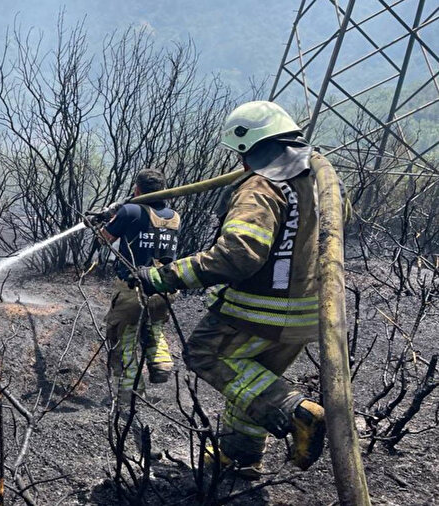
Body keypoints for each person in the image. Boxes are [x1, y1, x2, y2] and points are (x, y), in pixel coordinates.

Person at [134, 101, 327, 479]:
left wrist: (164, 276)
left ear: (248, 149)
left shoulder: (260, 187)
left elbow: (237, 257)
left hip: (259, 310)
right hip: (305, 312)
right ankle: (240, 457)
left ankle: (296, 410)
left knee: (206, 353)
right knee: (249, 382)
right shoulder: (313, 181)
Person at [92, 169, 181, 405]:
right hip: (164, 288)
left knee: (123, 342)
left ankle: (129, 397)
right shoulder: (174, 216)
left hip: (133, 289)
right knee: (154, 329)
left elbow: (103, 239)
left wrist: (104, 219)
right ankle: (161, 363)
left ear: (137, 189)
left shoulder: (131, 210)